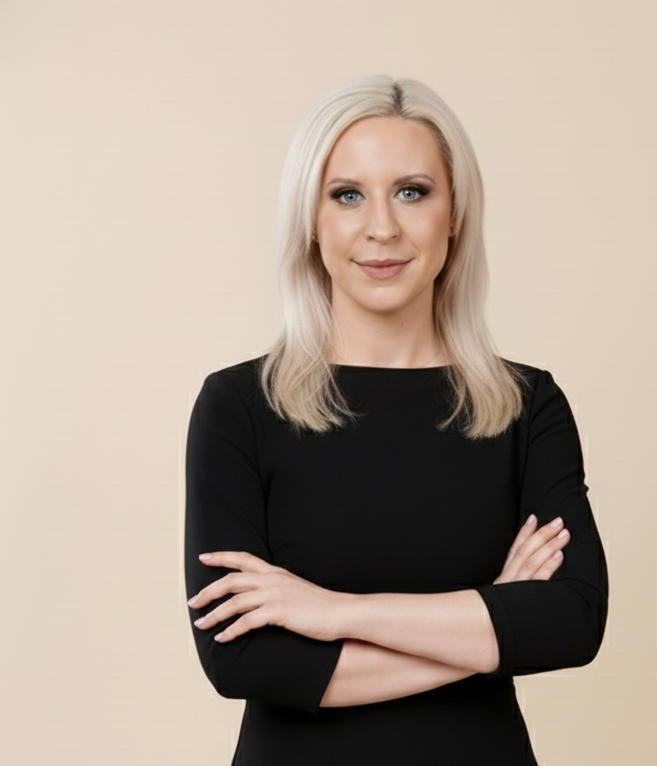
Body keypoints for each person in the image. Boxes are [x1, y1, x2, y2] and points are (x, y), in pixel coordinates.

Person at [185, 75, 608, 766]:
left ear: (454, 216)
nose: (381, 226)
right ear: (311, 221)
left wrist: (334, 613)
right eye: (347, 195)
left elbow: (571, 622)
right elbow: (243, 661)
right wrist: (492, 614)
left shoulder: (528, 405)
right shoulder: (238, 406)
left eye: (412, 191)